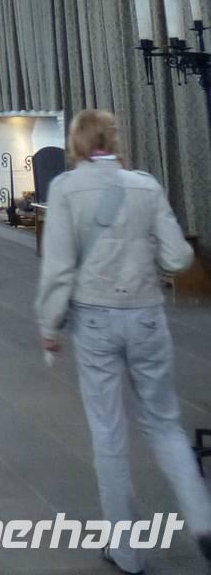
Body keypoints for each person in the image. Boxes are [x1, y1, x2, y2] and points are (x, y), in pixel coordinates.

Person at [36, 109, 211, 573]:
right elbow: (178, 257)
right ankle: (203, 521)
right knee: (165, 425)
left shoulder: (65, 189)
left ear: (75, 143)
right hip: (146, 315)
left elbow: (58, 268)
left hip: (94, 320)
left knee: (108, 433)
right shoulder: (146, 186)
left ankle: (127, 552)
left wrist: (49, 326)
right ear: (115, 141)